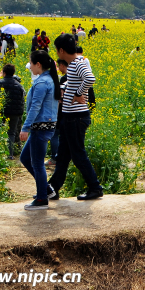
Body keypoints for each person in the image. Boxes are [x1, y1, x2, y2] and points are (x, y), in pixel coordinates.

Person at [47, 34, 103, 201]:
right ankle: (53, 188)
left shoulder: (75, 64)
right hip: (70, 116)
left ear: (61, 50)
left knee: (78, 154)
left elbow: (90, 78)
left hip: (76, 117)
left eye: (56, 50)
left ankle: (95, 187)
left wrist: (78, 94)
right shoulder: (77, 62)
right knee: (63, 155)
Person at [20, 50, 59, 210]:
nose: (29, 66)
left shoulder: (43, 82)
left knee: (36, 162)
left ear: (38, 64)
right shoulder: (46, 79)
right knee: (25, 158)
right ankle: (46, 189)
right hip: (43, 126)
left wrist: (25, 127)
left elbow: (35, 107)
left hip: (40, 127)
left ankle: (42, 198)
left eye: (31, 63)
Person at [0, 64, 25, 157]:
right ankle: (10, 154)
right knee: (12, 132)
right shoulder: (19, 85)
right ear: (13, 73)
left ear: (4, 73)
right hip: (15, 113)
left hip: (2, 111)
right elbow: (22, 99)